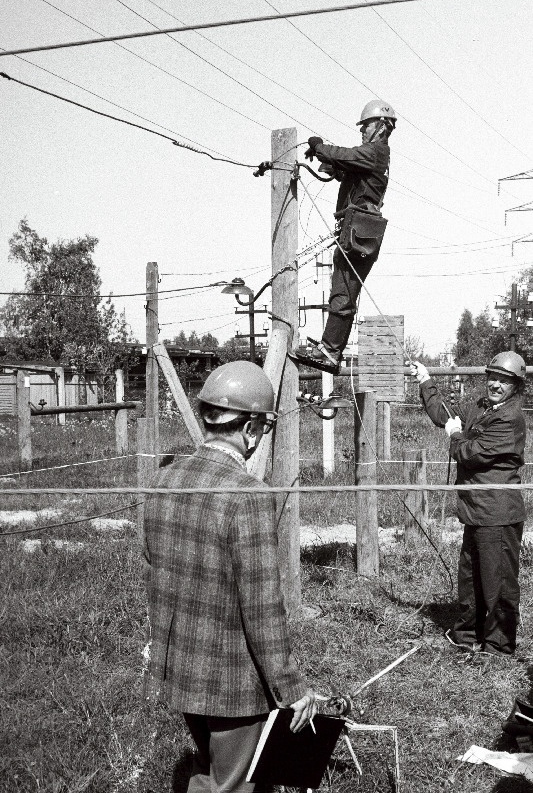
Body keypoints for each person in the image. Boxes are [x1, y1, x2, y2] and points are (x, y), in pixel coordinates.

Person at [142, 360, 316, 793]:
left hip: (182, 669)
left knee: (209, 773)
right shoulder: (248, 495)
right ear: (252, 429)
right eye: (263, 429)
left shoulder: (163, 480)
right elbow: (262, 606)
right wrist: (291, 687)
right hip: (232, 683)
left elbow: (155, 568)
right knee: (232, 786)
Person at [410, 351, 527, 657]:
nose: (496, 385)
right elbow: (445, 415)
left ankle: (498, 648)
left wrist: (455, 434)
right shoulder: (480, 407)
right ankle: (466, 637)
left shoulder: (510, 418)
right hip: (474, 510)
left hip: (497, 512)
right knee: (470, 579)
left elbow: (469, 453)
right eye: (493, 378)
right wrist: (425, 381)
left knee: (498, 584)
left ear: (516, 386)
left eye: (504, 381)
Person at [295, 99, 396, 374]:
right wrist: (331, 164)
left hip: (359, 230)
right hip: (357, 229)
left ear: (381, 126)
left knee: (343, 293)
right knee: (342, 291)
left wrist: (319, 147)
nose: (362, 130)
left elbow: (345, 155)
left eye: (366, 125)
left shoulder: (375, 151)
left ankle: (330, 352)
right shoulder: (373, 157)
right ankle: (329, 348)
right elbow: (347, 168)